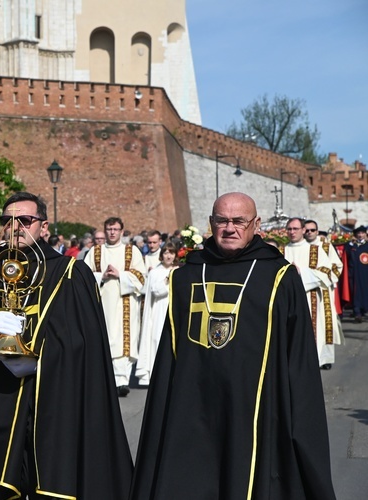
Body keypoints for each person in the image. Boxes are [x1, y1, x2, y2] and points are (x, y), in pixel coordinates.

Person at [130, 192, 336, 500]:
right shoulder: (185, 278)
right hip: (191, 408)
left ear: (256, 224)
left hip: (256, 410)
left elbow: (299, 360)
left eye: (239, 221)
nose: (230, 228)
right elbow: (168, 362)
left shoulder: (278, 277)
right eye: (222, 221)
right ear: (211, 224)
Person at [0, 191, 133, 500]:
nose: (16, 226)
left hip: (52, 399)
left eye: (25, 220)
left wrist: (39, 355)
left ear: (43, 226)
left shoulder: (70, 273)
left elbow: (83, 341)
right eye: (7, 221)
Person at [83, 217, 147, 394]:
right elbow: (84, 277)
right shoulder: (95, 251)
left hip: (125, 304)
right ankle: (105, 381)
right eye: (109, 229)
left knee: (124, 342)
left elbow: (141, 277)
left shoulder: (131, 251)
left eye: (116, 229)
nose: (112, 232)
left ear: (121, 231)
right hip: (102, 303)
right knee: (104, 339)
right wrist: (101, 277)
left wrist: (121, 275)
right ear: (105, 230)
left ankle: (121, 382)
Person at [302, 218, 344, 369]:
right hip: (304, 292)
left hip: (322, 292)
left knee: (324, 325)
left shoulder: (325, 246)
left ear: (317, 231)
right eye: (306, 230)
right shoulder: (298, 247)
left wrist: (317, 276)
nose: (309, 232)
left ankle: (325, 359)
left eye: (312, 230)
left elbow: (337, 266)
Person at [135, 242, 178, 386]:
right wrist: (168, 279)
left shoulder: (179, 270)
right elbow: (156, 291)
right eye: (165, 253)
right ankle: (156, 373)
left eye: (171, 253)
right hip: (159, 310)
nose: (168, 256)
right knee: (156, 340)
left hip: (175, 308)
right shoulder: (155, 272)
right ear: (161, 255)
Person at [347, 225, 368, 322]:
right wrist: (350, 244)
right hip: (354, 273)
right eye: (358, 233)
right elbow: (345, 255)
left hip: (365, 273)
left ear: (365, 234)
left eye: (362, 233)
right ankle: (357, 312)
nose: (360, 235)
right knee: (355, 292)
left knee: (365, 291)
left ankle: (364, 309)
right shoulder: (352, 246)